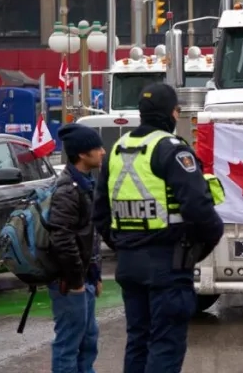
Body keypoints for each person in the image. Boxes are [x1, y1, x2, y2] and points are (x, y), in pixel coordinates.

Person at [93, 83, 224, 373]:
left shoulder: (117, 149)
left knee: (138, 341)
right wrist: (202, 246)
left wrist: (123, 244)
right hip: (167, 265)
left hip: (129, 263)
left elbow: (100, 212)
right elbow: (199, 209)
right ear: (171, 113)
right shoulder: (172, 150)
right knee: (165, 344)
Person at [49, 123, 106, 373]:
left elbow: (89, 237)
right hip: (69, 282)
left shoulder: (86, 184)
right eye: (97, 148)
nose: (103, 152)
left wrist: (95, 275)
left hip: (84, 279)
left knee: (88, 339)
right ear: (82, 154)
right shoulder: (67, 190)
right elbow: (61, 237)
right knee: (69, 343)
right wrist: (75, 282)